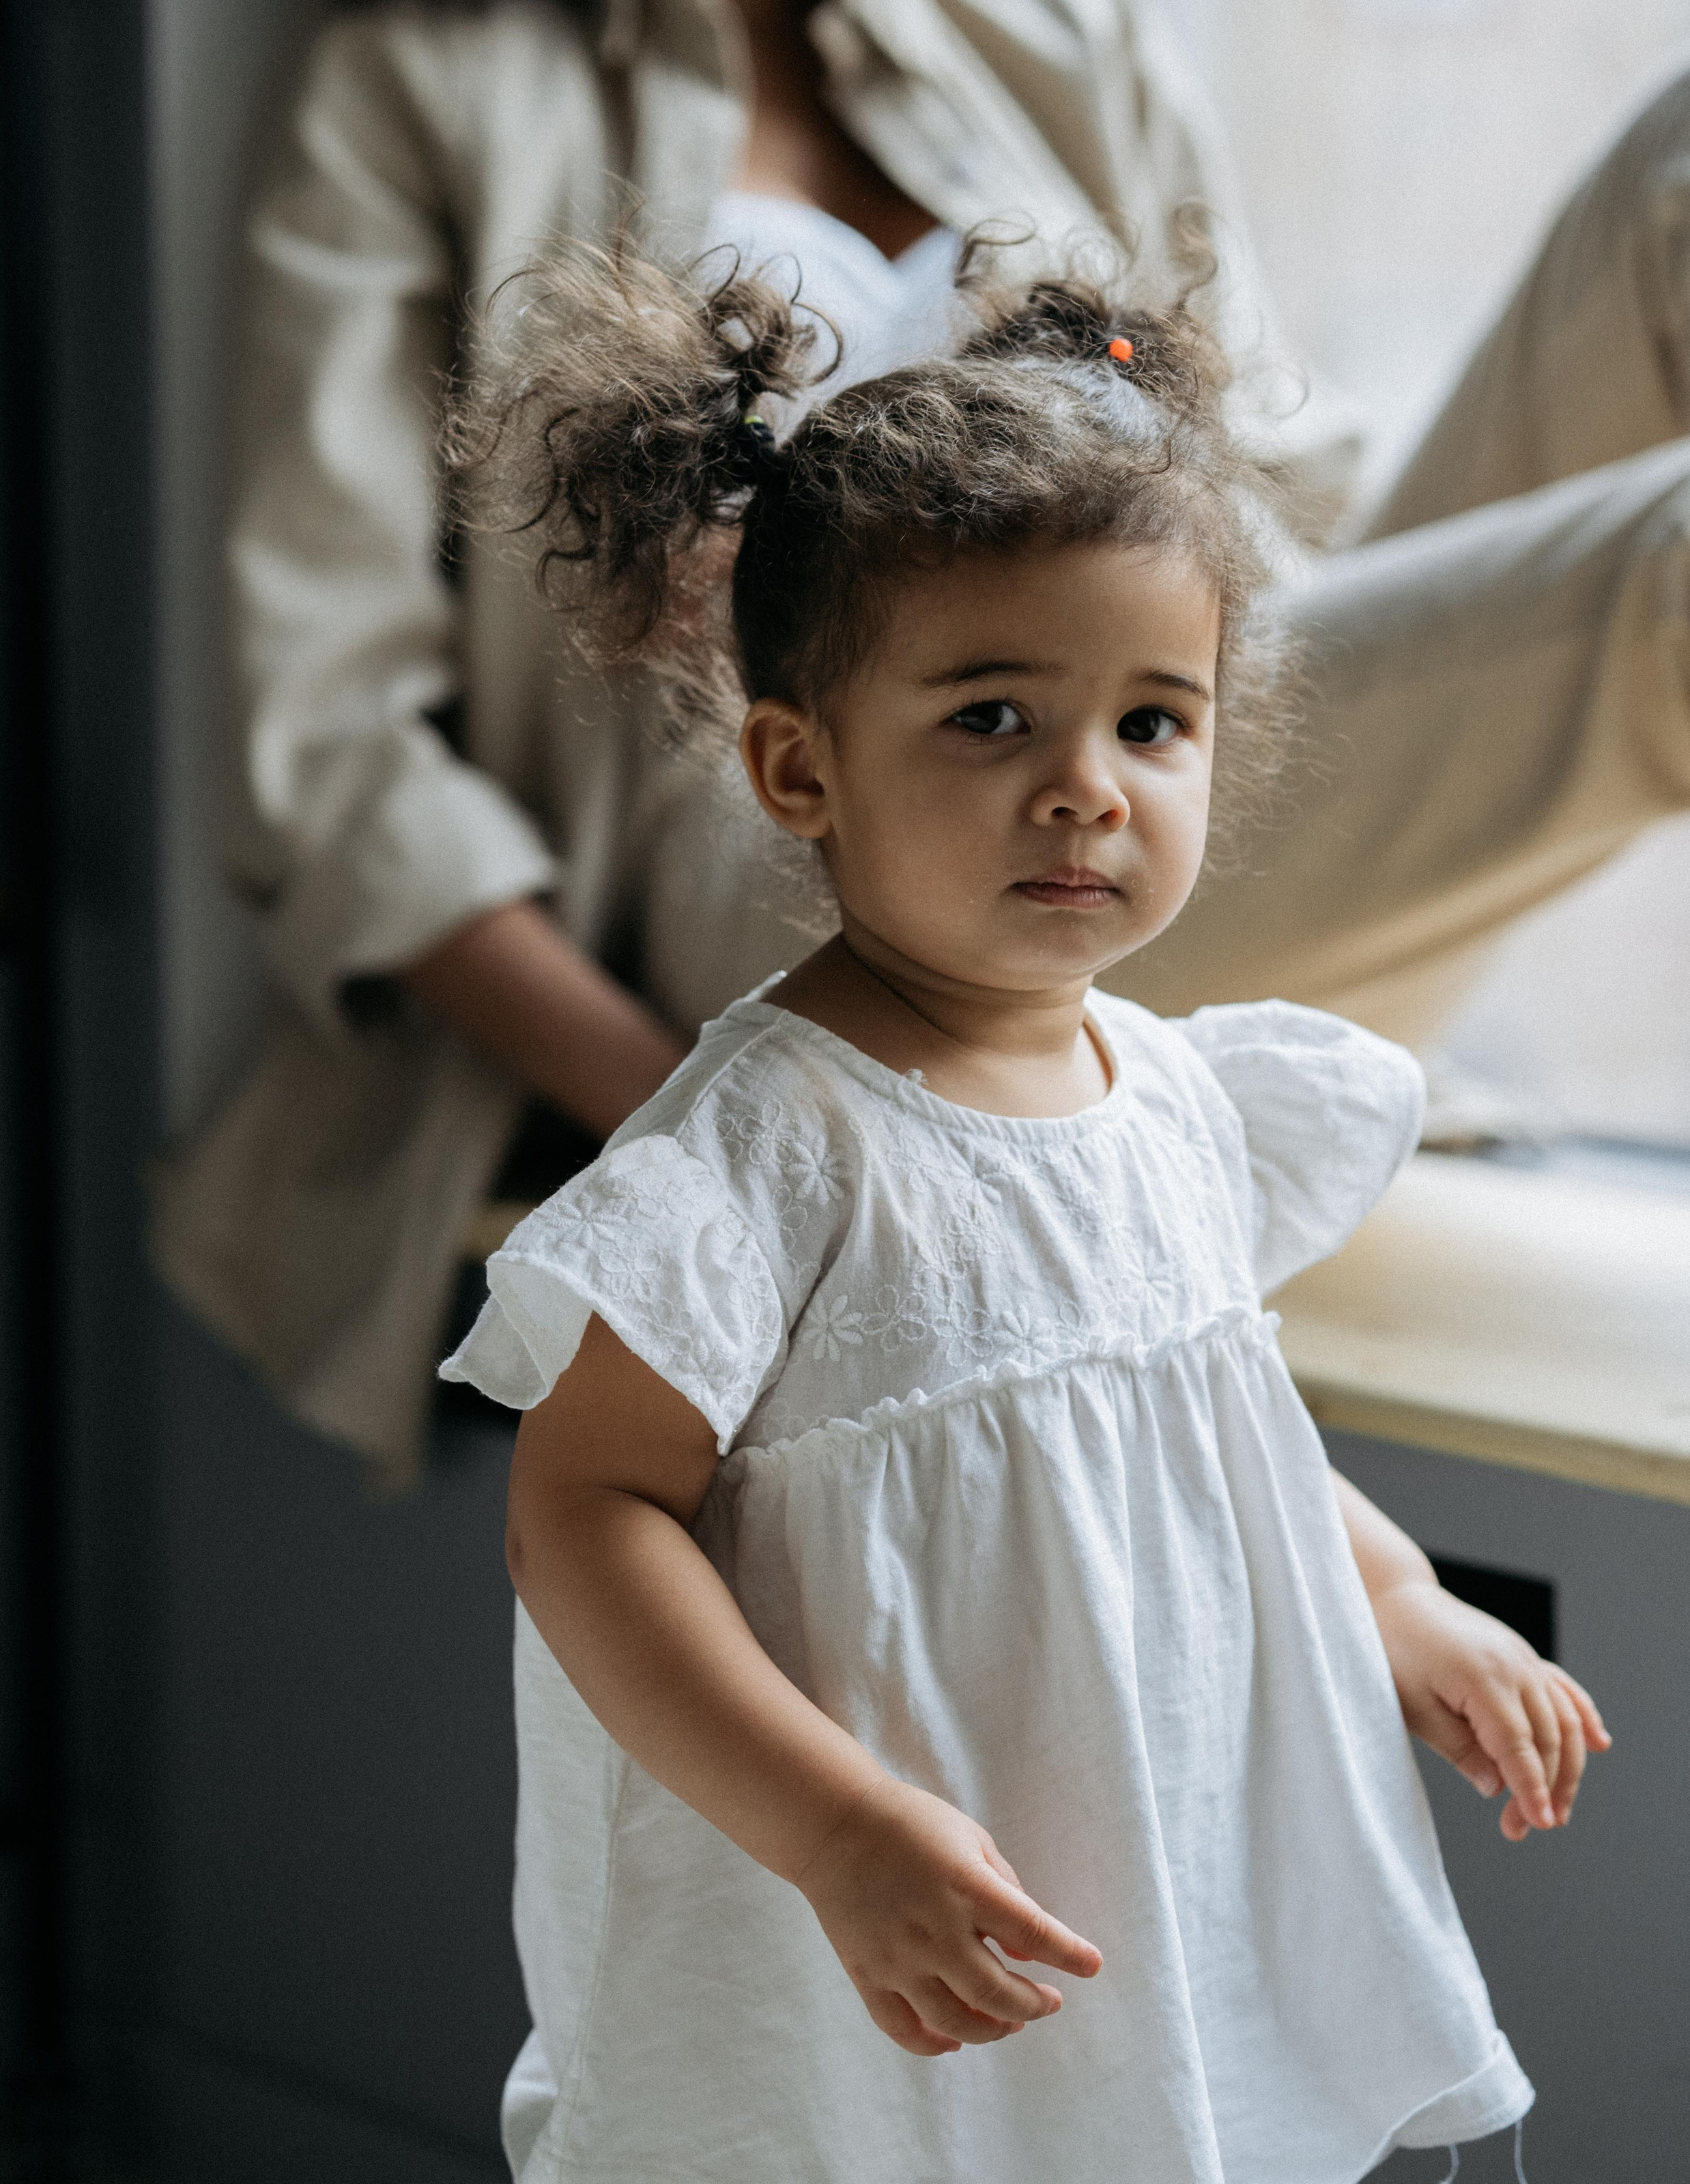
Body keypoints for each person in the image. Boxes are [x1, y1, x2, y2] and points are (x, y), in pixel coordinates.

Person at [152, 0, 1690, 1486]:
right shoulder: (418, 85)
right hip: (791, 856)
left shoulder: (1051, 30)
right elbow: (333, 754)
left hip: (1193, 717)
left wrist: (1441, 682)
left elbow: (1276, 497)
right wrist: (728, 1139)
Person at [438, 239, 1609, 2181]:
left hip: (1117, 1874)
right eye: (992, 720)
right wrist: (831, 1828)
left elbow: (1199, 1426)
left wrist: (1393, 1600)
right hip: (864, 1908)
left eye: (1153, 723)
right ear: (801, 767)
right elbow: (586, 1518)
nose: (1086, 788)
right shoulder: (770, 1150)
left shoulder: (1167, 1095)